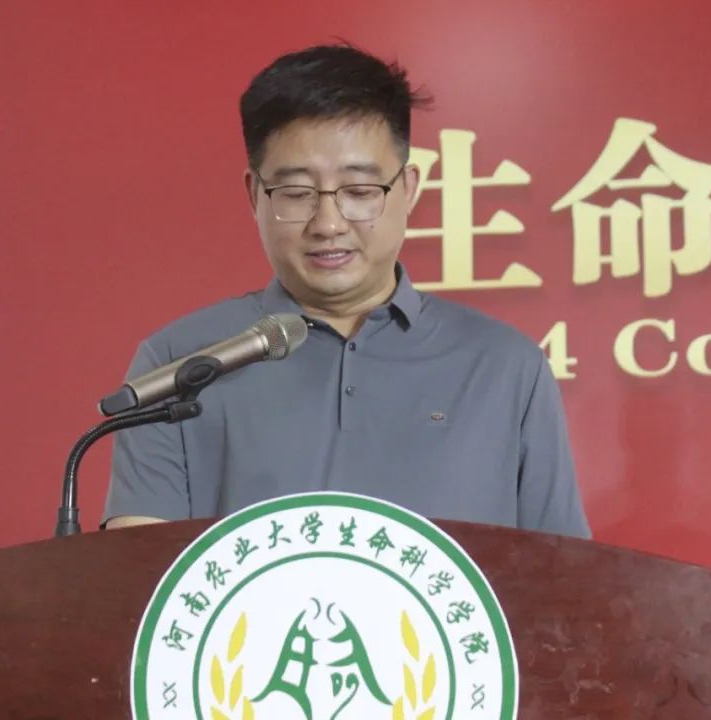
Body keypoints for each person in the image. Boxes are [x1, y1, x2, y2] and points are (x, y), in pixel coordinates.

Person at [103, 44, 589, 538]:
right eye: (296, 193)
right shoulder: (178, 366)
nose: (329, 223)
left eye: (359, 192)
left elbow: (564, 574)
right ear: (254, 194)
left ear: (409, 189)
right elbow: (139, 573)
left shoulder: (507, 367)